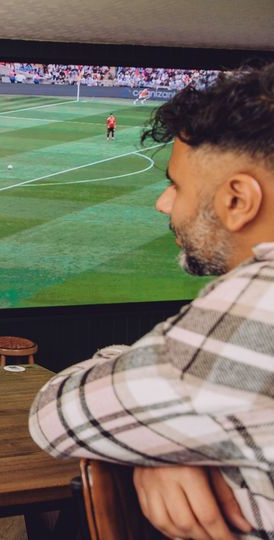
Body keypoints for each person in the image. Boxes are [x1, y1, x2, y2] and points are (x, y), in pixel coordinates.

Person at [29, 63, 274, 539]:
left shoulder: (260, 303)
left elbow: (55, 415)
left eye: (177, 185)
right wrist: (170, 439)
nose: (164, 203)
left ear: (238, 199)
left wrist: (153, 443)